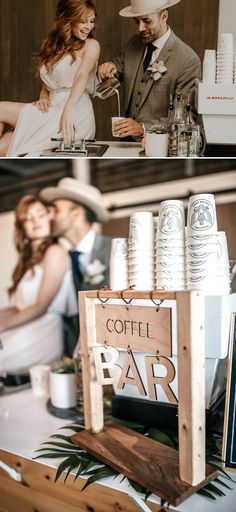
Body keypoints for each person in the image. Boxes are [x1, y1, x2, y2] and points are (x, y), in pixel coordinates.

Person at [0, 0, 99, 157]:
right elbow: (49, 86)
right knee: (3, 146)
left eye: (92, 21)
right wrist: (43, 98)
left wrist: (69, 107)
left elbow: (82, 75)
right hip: (52, 109)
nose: (89, 26)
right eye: (83, 21)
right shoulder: (52, 46)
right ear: (68, 19)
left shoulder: (91, 45)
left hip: (74, 113)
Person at [98, 0, 201, 139]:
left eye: (146, 21)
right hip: (125, 143)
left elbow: (184, 117)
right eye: (136, 21)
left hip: (160, 145)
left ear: (164, 16)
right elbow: (119, 66)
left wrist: (143, 128)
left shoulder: (188, 60)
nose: (140, 28)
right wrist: (110, 67)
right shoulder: (134, 43)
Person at [0, 195, 75, 379]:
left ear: (49, 217)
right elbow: (20, 307)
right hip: (26, 328)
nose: (35, 222)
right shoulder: (28, 262)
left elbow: (41, 305)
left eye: (40, 215)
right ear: (22, 227)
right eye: (28, 218)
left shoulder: (55, 252)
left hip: (43, 333)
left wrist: (2, 325)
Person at [40, 177, 111, 356]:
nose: (50, 216)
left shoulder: (114, 250)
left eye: (55, 209)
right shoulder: (63, 256)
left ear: (76, 212)